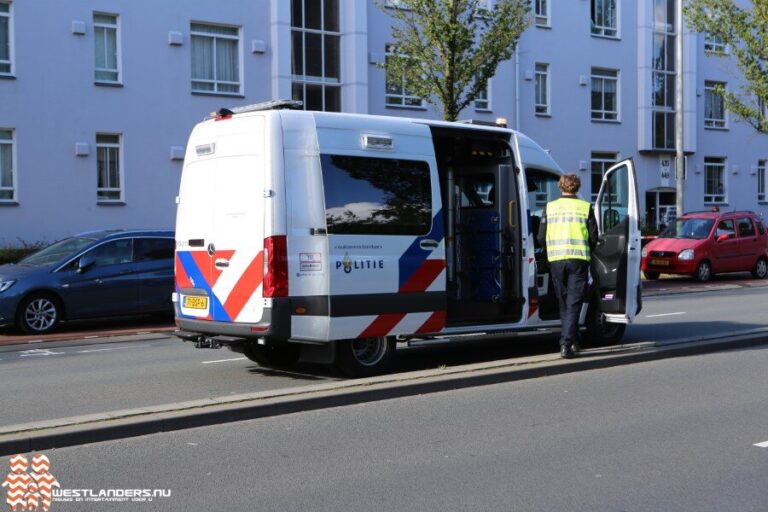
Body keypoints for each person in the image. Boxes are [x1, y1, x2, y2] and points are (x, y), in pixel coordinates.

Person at [537, 173, 598, 358]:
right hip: (578, 260)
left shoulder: (550, 207)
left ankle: (573, 340)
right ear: (577, 187)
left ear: (560, 186)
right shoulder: (585, 207)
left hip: (556, 260)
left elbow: (540, 237)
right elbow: (594, 238)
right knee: (574, 302)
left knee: (564, 302)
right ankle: (566, 343)